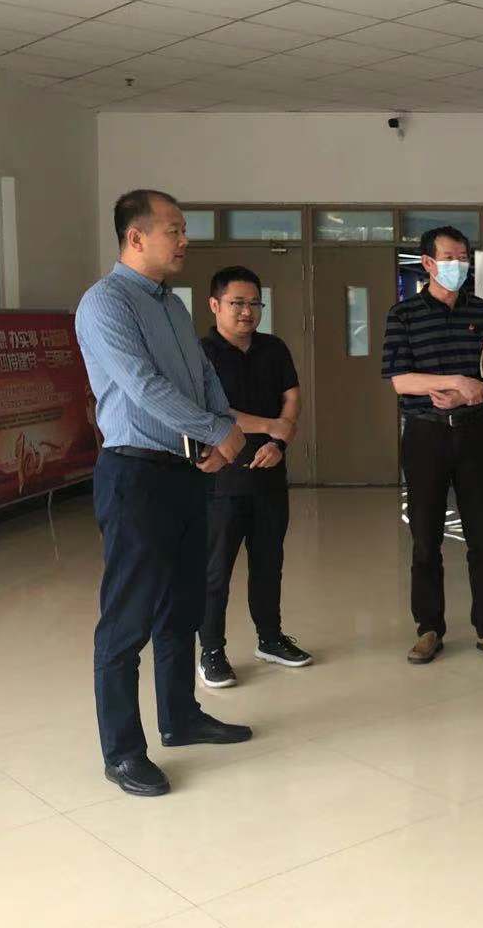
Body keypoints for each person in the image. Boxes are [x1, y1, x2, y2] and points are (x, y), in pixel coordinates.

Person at [75, 190, 253, 798]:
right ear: (135, 238)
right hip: (135, 475)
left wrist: (218, 430)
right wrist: (217, 431)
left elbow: (202, 375)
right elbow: (143, 386)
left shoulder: (172, 305)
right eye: (173, 230)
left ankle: (181, 718)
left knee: (183, 605)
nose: (184, 240)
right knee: (127, 619)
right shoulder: (105, 303)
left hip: (186, 471)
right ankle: (123, 752)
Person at [381, 226, 483, 665]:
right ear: (428, 263)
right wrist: (455, 381)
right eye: (449, 257)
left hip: (474, 432)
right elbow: (400, 380)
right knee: (425, 538)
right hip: (425, 434)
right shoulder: (403, 315)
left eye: (463, 257)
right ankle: (429, 629)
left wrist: (480, 390)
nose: (458, 265)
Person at [197, 266, 311, 691]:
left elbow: (291, 398)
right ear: (215, 305)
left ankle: (270, 638)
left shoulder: (273, 348)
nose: (247, 312)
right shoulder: (201, 354)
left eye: (254, 303)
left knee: (268, 564)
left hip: (269, 477)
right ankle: (211, 650)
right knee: (215, 572)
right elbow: (213, 412)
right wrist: (270, 426)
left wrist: (279, 442)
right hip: (220, 482)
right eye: (237, 303)